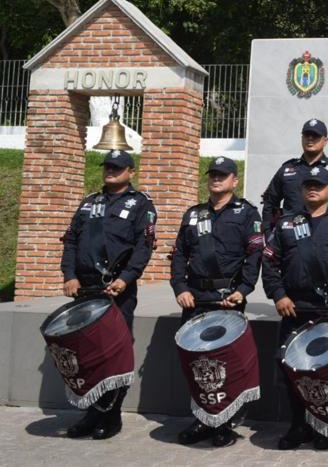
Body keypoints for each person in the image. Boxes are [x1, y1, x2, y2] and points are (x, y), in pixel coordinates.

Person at [261, 165, 328, 451]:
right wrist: (279, 296)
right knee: (293, 371)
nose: (312, 189)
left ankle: (327, 426)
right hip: (294, 308)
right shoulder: (286, 223)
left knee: (327, 372)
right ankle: (299, 425)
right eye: (308, 185)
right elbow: (269, 263)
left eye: (319, 185)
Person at [60, 149, 157, 440]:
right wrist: (69, 275)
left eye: (117, 167)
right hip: (85, 289)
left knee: (113, 351)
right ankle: (90, 414)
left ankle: (110, 415)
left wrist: (126, 279)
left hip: (117, 290)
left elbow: (144, 246)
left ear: (131, 171)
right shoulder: (89, 202)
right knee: (86, 353)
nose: (110, 171)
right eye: (107, 167)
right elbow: (71, 241)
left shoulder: (141, 205)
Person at [170, 156, 264, 447]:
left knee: (225, 365)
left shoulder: (248, 214)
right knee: (198, 364)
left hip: (227, 301)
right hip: (195, 300)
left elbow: (254, 255)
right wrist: (180, 287)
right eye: (212, 175)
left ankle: (225, 422)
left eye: (223, 175)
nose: (216, 179)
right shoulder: (194, 214)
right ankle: (202, 420)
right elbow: (179, 255)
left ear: (234, 181)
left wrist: (244, 289)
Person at [261, 118, 328, 231]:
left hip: (326, 234)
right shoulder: (287, 169)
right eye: (307, 135)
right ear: (302, 138)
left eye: (315, 136)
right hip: (292, 235)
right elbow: (270, 201)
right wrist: (268, 232)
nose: (310, 139)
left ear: (325, 140)